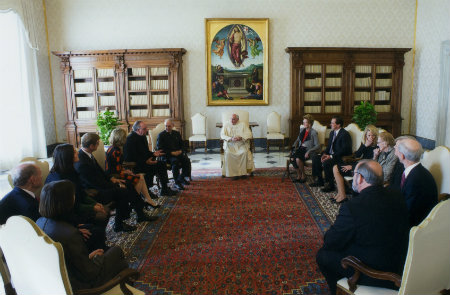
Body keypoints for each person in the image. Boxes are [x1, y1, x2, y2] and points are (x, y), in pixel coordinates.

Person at [316, 160, 409, 295]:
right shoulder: (397, 195)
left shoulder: (353, 207)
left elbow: (331, 241)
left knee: (323, 255)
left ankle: (338, 291)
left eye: (354, 174)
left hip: (375, 272)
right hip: (400, 261)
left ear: (360, 178)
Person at [36, 180, 131, 291]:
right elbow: (90, 273)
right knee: (117, 251)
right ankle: (119, 286)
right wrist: (97, 257)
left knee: (118, 262)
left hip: (63, 277)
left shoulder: (39, 222)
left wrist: (88, 257)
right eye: (73, 195)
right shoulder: (70, 234)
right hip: (82, 286)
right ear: (67, 201)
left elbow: (68, 258)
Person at [75, 133, 157, 232]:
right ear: (92, 146)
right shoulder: (82, 161)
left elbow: (101, 172)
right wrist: (116, 184)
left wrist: (112, 179)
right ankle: (119, 224)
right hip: (96, 192)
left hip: (102, 184)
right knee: (123, 191)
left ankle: (140, 214)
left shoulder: (87, 154)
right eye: (97, 143)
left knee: (129, 185)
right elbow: (95, 183)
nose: (98, 145)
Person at [46, 143, 109, 251]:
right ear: (67, 157)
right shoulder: (59, 179)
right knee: (101, 217)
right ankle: (93, 246)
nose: (77, 152)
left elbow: (81, 193)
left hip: (77, 207)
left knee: (103, 211)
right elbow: (68, 207)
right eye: (74, 152)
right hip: (69, 214)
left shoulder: (71, 170)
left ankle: (98, 242)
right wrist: (91, 208)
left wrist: (94, 203)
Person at [106, 128, 160, 208]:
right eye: (125, 137)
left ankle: (145, 200)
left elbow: (118, 166)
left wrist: (126, 170)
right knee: (139, 178)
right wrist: (126, 172)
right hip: (115, 176)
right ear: (121, 138)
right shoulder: (116, 151)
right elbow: (116, 170)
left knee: (140, 176)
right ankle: (135, 202)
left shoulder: (112, 148)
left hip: (117, 172)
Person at [123, 121, 177, 197]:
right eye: (145, 129)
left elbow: (145, 152)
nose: (147, 130)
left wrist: (153, 154)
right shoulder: (130, 139)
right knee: (150, 168)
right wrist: (146, 161)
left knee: (162, 164)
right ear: (138, 130)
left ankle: (164, 189)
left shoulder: (143, 136)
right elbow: (130, 157)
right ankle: (146, 192)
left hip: (145, 161)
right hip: (136, 165)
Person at [394, 137, 438, 227]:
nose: (394, 148)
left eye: (397, 148)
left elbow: (409, 213)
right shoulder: (416, 171)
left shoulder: (416, 180)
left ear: (402, 156)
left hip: (417, 228)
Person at [330, 125, 378, 203]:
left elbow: (369, 163)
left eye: (373, 135)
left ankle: (342, 196)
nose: (371, 137)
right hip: (358, 165)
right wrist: (365, 146)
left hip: (363, 169)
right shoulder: (365, 144)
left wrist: (352, 167)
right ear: (366, 136)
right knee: (335, 167)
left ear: (376, 136)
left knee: (337, 168)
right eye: (369, 135)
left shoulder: (376, 147)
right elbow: (357, 155)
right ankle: (340, 194)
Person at [310, 116, 352, 192]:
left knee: (327, 163)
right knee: (315, 158)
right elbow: (329, 147)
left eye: (332, 123)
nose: (330, 124)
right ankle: (320, 181)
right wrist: (324, 154)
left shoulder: (345, 134)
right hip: (331, 155)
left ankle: (330, 185)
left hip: (339, 157)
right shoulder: (332, 133)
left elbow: (345, 150)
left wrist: (331, 156)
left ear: (338, 125)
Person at [156, 119, 191, 190]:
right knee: (175, 162)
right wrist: (171, 153)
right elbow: (160, 149)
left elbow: (182, 144)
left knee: (186, 160)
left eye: (169, 126)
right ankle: (177, 182)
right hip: (167, 155)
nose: (167, 128)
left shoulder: (176, 133)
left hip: (178, 153)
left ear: (173, 126)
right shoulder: (161, 135)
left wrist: (181, 151)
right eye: (166, 126)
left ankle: (181, 177)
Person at [220, 114, 255, 180]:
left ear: (237, 119)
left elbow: (249, 134)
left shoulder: (243, 124)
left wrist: (241, 137)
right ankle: (232, 174)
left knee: (244, 152)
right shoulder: (226, 124)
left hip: (241, 144)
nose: (231, 121)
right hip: (230, 144)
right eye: (231, 119)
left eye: (233, 119)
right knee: (229, 154)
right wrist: (230, 138)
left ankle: (243, 173)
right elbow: (222, 135)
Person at [290, 114, 320, 183]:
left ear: (309, 123)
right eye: (303, 122)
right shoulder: (302, 130)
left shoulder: (313, 132)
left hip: (308, 151)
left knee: (297, 159)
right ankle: (299, 175)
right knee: (292, 158)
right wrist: (293, 148)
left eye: (305, 122)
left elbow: (317, 145)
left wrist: (309, 151)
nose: (303, 123)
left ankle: (303, 175)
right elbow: (297, 140)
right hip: (300, 149)